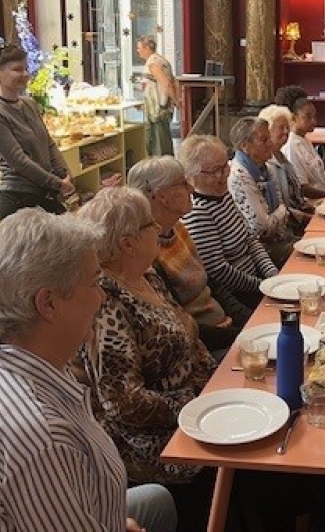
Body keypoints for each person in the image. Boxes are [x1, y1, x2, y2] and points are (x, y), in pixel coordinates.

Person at [0, 209, 177, 532]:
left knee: (158, 500)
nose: (101, 298)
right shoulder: (39, 437)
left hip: (77, 508)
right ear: (48, 304)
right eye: (93, 283)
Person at [77, 189, 216, 494]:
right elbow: (122, 402)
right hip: (153, 440)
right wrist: (193, 405)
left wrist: (216, 383)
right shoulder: (106, 301)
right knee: (249, 463)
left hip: (196, 406)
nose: (158, 229)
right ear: (128, 243)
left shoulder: (147, 275)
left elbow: (189, 337)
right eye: (150, 224)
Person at [127, 156, 251, 354]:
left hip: (227, 328)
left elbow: (211, 284)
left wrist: (249, 319)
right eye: (183, 184)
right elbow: (182, 323)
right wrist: (242, 335)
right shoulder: (149, 254)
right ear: (161, 197)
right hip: (205, 345)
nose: (191, 189)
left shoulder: (178, 228)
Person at [178, 135, 279, 311]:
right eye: (215, 171)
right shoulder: (198, 212)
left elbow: (250, 240)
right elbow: (219, 271)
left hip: (257, 281)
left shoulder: (222, 195)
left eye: (225, 167)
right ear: (192, 174)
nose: (223, 175)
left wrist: (272, 274)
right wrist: (262, 285)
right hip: (239, 295)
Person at [0, 43, 76, 220]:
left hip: (45, 193)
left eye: (25, 68)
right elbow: (19, 161)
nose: (24, 74)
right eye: (17, 69)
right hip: (18, 198)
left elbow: (48, 143)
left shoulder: (29, 104)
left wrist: (65, 174)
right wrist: (57, 184)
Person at [227, 116, 301, 267]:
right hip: (259, 252)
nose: (270, 144)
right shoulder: (238, 175)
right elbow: (262, 228)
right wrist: (282, 211)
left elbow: (278, 212)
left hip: (281, 238)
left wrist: (280, 212)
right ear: (245, 146)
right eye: (264, 140)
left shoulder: (268, 169)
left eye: (269, 139)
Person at [258, 103, 315, 221]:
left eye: (287, 127)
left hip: (300, 212)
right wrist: (309, 218)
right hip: (291, 223)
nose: (286, 131)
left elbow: (296, 196)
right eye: (281, 127)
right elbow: (281, 207)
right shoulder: (267, 163)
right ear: (268, 131)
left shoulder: (282, 157)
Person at [280, 93, 325, 198]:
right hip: (311, 202)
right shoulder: (291, 146)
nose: (313, 121)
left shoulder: (305, 140)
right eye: (308, 117)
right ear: (294, 118)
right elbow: (302, 188)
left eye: (315, 116)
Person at [136, 35, 175, 156]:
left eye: (139, 48)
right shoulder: (162, 60)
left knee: (158, 143)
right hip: (161, 108)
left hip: (157, 110)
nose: (137, 51)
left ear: (147, 48)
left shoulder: (153, 62)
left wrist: (176, 99)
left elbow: (166, 82)